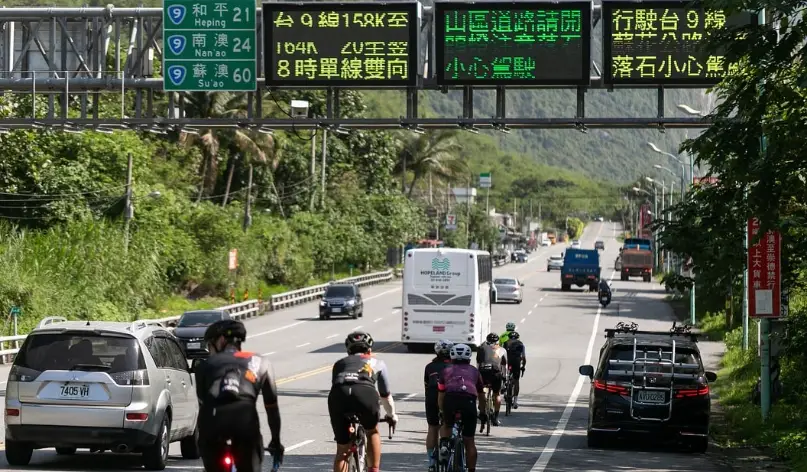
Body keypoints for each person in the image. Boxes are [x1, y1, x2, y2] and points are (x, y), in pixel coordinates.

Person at [195, 320, 284, 472]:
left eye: (209, 345)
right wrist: (276, 440)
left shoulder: (205, 365)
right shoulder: (261, 361)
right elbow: (272, 407)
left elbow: (203, 403)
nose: (209, 351)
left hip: (212, 422)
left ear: (221, 340)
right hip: (245, 419)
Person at [328, 331, 398, 472]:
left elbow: (337, 384)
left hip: (338, 395)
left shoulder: (339, 364)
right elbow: (385, 395)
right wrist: (391, 415)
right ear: (369, 350)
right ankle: (373, 469)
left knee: (342, 449)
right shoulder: (378, 363)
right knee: (372, 432)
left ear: (348, 351)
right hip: (365, 393)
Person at [437, 344, 487, 472]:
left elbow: (441, 395)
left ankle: (444, 444)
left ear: (452, 357)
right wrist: (483, 412)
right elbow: (481, 396)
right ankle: (471, 470)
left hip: (451, 400)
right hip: (468, 402)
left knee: (447, 425)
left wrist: (442, 411)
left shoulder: (446, 370)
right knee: (469, 441)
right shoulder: (475, 371)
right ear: (469, 357)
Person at [424, 340, 453, 472]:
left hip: (431, 396)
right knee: (446, 424)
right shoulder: (454, 366)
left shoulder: (429, 366)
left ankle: (431, 462)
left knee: (432, 427)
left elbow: (426, 385)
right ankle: (445, 447)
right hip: (448, 397)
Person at [476, 333, 507, 426]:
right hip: (495, 373)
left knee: (481, 393)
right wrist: (504, 377)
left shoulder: (481, 348)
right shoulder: (502, 349)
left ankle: (482, 413)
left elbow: (478, 364)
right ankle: (496, 417)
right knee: (497, 394)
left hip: (483, 372)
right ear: (497, 341)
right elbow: (504, 365)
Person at [502, 331, 527, 409]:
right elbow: (523, 357)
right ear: (518, 337)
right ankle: (515, 401)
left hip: (508, 362)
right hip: (516, 362)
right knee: (516, 381)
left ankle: (504, 386)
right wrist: (523, 366)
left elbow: (502, 354)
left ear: (509, 337)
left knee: (504, 375)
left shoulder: (505, 343)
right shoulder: (521, 344)